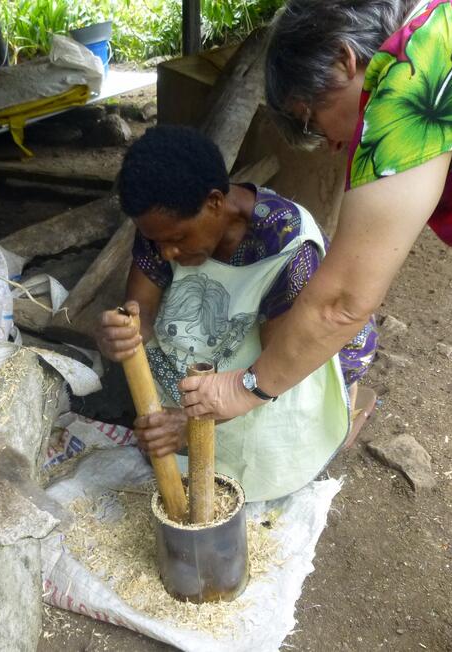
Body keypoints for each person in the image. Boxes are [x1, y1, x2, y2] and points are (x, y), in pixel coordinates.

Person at [178, 0, 452, 646]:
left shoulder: (411, 70)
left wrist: (245, 387)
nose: (334, 145)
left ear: (347, 59)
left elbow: (341, 300)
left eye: (313, 122)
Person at [96, 124, 377, 502]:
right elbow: (140, 310)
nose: (166, 253)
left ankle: (345, 399)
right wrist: (125, 329)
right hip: (218, 354)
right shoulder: (163, 224)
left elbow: (272, 374)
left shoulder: (286, 247)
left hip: (277, 363)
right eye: (156, 241)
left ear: (215, 203)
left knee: (262, 451)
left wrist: (192, 424)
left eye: (177, 239)